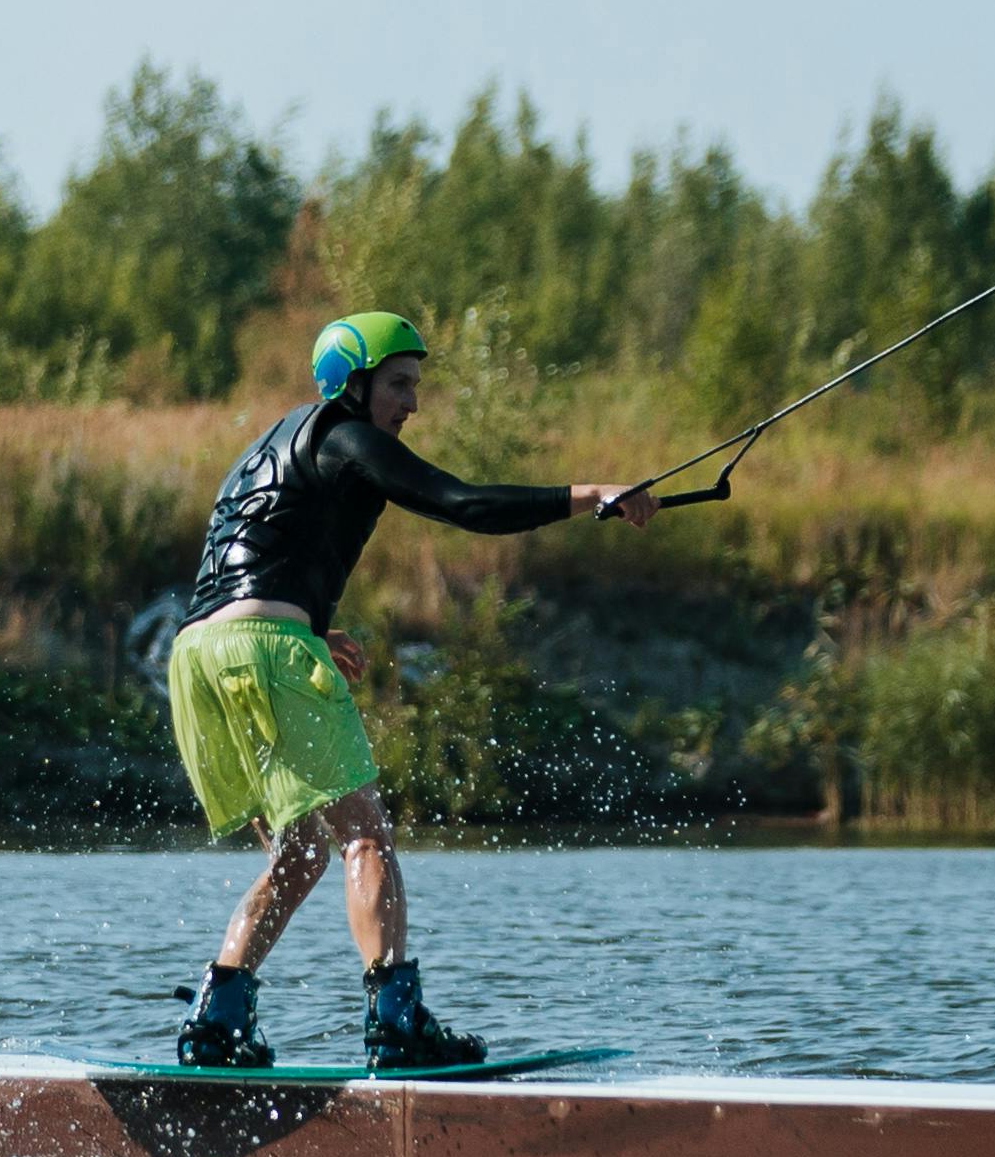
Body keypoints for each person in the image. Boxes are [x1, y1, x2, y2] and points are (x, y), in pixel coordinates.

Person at [164, 311, 659, 1069]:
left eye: (414, 386)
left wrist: (302, 625)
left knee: (299, 854)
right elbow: (461, 503)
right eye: (398, 385)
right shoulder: (346, 437)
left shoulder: (266, 446)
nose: (412, 404)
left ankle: (217, 1016)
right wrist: (593, 492)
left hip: (200, 654)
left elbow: (242, 553)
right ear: (352, 385)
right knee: (364, 835)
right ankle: (396, 1021)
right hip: (262, 649)